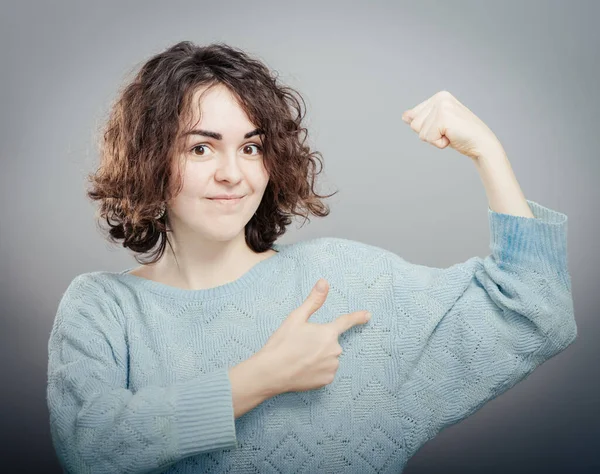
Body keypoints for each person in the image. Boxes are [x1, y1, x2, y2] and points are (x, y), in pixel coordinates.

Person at [46, 41, 577, 474]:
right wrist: (264, 376)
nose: (234, 173)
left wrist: (488, 151)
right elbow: (89, 449)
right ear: (148, 162)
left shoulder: (344, 279)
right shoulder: (103, 307)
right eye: (201, 148)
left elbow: (535, 311)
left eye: (251, 147)